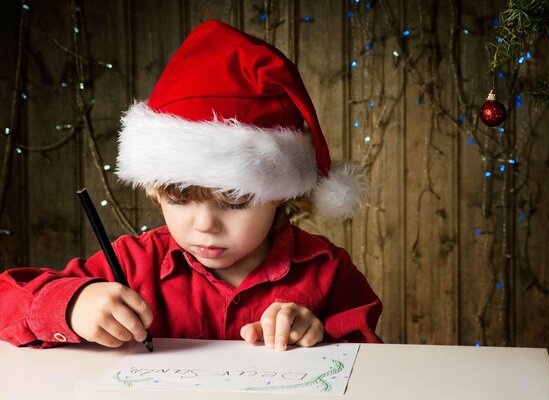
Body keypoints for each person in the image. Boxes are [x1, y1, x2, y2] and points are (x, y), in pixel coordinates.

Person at [0, 20, 382, 350]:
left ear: (280, 195)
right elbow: (7, 301)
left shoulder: (328, 272)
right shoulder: (134, 265)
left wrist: (320, 338)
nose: (204, 225)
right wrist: (72, 305)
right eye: (179, 198)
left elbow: (373, 360)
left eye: (233, 201)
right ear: (155, 190)